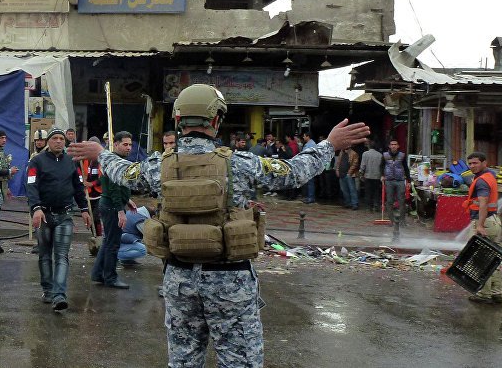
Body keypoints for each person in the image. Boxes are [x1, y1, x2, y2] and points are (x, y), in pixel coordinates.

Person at [68, 84, 369, 367]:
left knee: (184, 361)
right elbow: (292, 173)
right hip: (230, 280)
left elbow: (125, 172)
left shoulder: (159, 165)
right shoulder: (239, 163)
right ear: (216, 120)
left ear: (178, 119)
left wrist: (101, 154)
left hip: (179, 279)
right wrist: (329, 145)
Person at [27, 127, 92, 312]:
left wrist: (84, 209)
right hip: (44, 216)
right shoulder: (36, 161)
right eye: (54, 138)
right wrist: (36, 208)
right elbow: (31, 186)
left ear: (65, 142)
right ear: (48, 141)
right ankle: (48, 290)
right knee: (45, 255)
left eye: (61, 139)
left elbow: (78, 186)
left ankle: (59, 295)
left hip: (65, 215)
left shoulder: (72, 162)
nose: (58, 141)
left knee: (62, 256)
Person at [91, 131, 135, 290]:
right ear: (115, 144)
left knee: (108, 241)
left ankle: (98, 273)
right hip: (111, 206)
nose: (128, 148)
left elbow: (119, 186)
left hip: (110, 203)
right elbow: (113, 188)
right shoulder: (114, 162)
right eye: (125, 144)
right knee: (113, 243)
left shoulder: (116, 160)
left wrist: (127, 200)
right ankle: (110, 277)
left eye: (130, 145)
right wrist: (120, 210)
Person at [463, 152, 502, 304]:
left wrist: (479, 225)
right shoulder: (490, 175)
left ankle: (484, 294)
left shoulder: (481, 181)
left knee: (480, 261)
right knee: (494, 260)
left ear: (484, 163)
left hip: (484, 223)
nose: (472, 166)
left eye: (475, 163)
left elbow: (483, 203)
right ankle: (496, 293)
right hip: (494, 221)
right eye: (470, 163)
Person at [380, 140, 410, 226]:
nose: (393, 146)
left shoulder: (402, 155)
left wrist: (408, 180)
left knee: (402, 201)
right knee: (389, 201)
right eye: (392, 144)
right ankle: (391, 220)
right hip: (389, 180)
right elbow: (381, 166)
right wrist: (382, 175)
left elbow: (406, 168)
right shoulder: (385, 155)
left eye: (395, 144)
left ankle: (402, 220)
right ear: (389, 146)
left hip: (400, 180)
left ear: (398, 146)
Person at [359, 141, 384, 212]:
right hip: (377, 176)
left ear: (369, 146)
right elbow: (381, 166)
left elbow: (363, 165)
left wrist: (361, 173)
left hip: (368, 175)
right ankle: (376, 205)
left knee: (368, 192)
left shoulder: (365, 154)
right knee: (376, 191)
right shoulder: (380, 155)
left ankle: (369, 206)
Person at [338, 145, 360, 210]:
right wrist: (337, 170)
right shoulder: (341, 152)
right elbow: (339, 162)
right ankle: (348, 203)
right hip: (342, 174)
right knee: (344, 190)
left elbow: (355, 164)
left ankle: (354, 204)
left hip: (349, 175)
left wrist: (349, 173)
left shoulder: (354, 153)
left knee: (352, 189)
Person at [301, 132, 318, 203]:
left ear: (308, 137)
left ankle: (311, 197)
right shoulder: (308, 144)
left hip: (310, 165)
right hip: (306, 165)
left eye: (304, 136)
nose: (303, 137)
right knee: (308, 182)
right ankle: (308, 197)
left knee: (310, 182)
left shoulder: (311, 144)